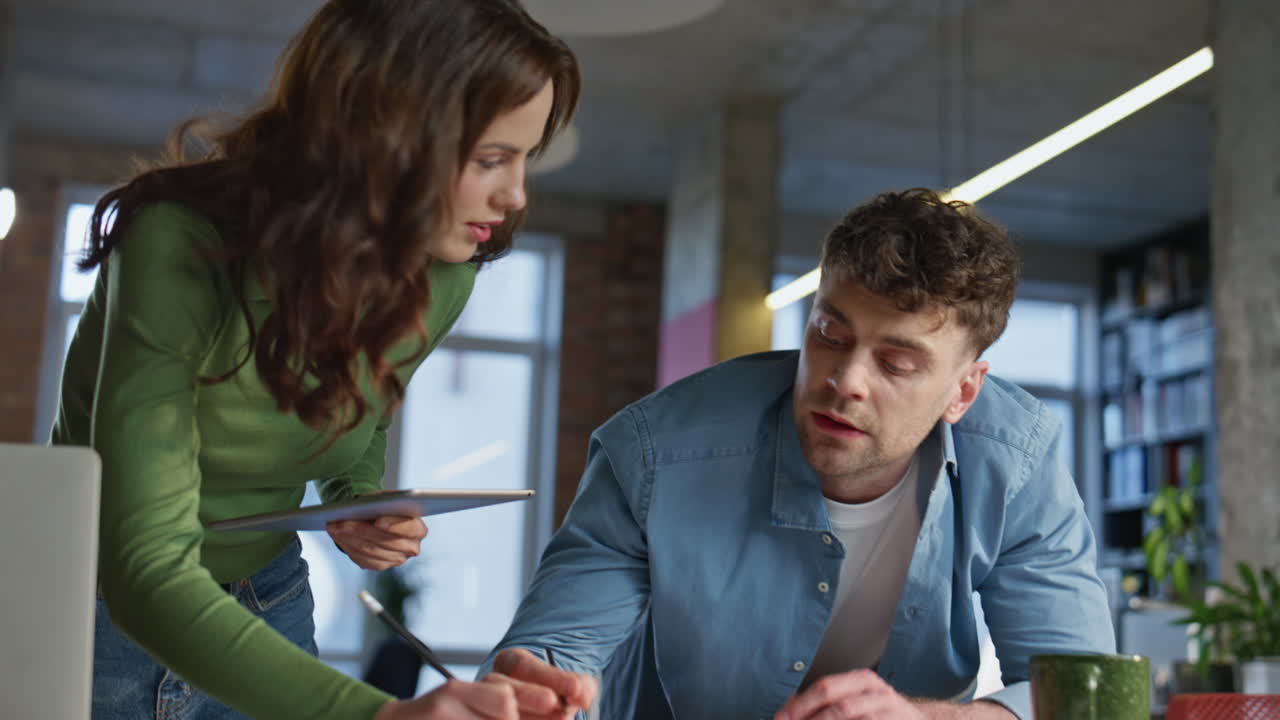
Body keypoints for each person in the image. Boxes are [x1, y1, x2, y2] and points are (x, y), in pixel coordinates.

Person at [51, 1, 588, 718]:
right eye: (491, 159)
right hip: (99, 610)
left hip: (270, 596)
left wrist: (356, 500)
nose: (516, 194)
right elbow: (144, 567)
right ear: (385, 135)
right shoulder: (175, 244)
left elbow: (364, 418)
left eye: (525, 159)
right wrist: (382, 713)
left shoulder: (444, 274)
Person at [479, 188, 1116, 719]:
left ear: (964, 392)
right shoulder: (655, 454)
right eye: (830, 333)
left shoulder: (1017, 462)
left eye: (896, 363)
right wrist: (530, 696)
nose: (846, 380)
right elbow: (551, 653)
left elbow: (1088, 695)